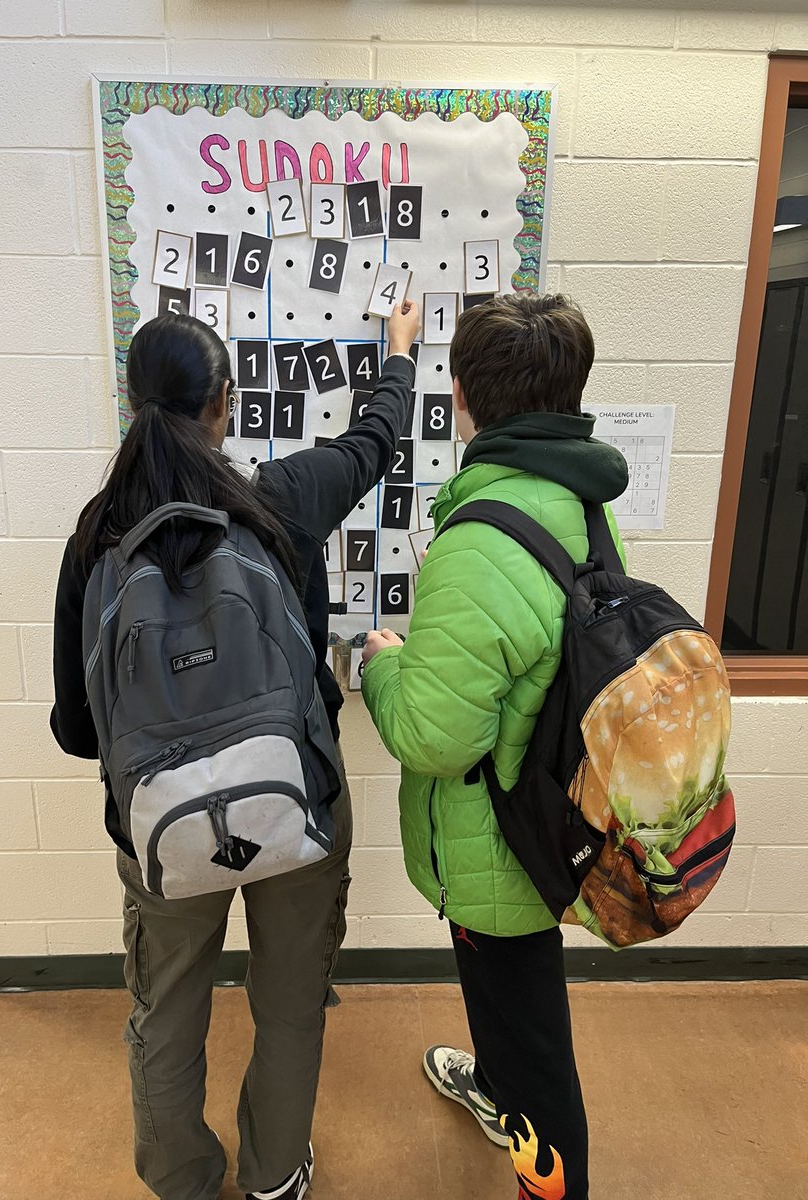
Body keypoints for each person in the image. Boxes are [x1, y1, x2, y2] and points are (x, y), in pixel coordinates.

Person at [50, 300, 420, 1200]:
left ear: (133, 403)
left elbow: (75, 729)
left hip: (161, 829)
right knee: (289, 1008)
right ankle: (273, 1176)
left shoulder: (94, 538)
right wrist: (399, 354)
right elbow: (375, 441)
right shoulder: (281, 500)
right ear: (228, 400)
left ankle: (183, 1180)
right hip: (295, 802)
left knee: (166, 1014)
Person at [360, 294, 629, 1200]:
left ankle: (545, 1171)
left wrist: (380, 666)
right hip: (554, 807)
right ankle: (499, 1092)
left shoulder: (480, 541)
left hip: (498, 842)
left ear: (462, 394)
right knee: (511, 1013)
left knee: (531, 1034)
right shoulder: (579, 503)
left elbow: (435, 736)